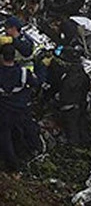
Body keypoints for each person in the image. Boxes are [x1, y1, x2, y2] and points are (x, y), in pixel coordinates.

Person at [0, 43, 41, 172]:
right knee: (24, 131)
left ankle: (13, 166)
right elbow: (36, 83)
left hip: (4, 111)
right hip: (21, 109)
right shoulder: (23, 73)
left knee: (5, 138)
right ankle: (33, 153)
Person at [46, 43, 90, 146]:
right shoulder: (81, 71)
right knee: (82, 125)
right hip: (81, 103)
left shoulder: (67, 74)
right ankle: (85, 143)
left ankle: (74, 148)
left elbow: (59, 88)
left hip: (69, 105)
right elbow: (87, 85)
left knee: (72, 129)